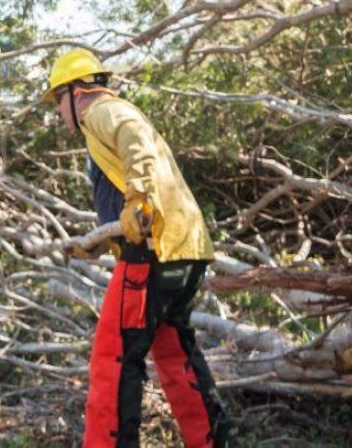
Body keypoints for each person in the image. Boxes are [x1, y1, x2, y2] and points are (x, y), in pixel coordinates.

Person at [43, 48, 232, 448]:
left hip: (151, 254)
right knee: (175, 354)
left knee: (113, 357)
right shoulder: (104, 116)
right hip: (185, 248)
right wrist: (101, 243)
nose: (59, 112)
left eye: (57, 100)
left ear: (77, 92)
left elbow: (136, 143)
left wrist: (139, 199)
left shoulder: (103, 111)